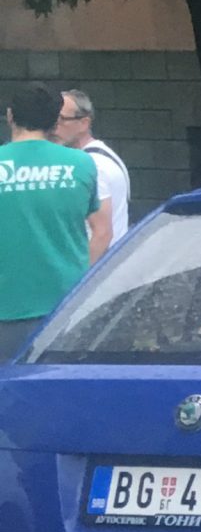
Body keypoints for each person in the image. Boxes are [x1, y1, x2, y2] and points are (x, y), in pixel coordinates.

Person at [0, 83, 107, 360]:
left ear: (10, 116)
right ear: (54, 120)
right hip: (65, 307)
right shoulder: (81, 165)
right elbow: (101, 229)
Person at [53, 88, 131, 243]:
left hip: (101, 262)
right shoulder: (104, 156)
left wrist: (89, 268)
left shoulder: (94, 165)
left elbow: (101, 234)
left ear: (84, 123)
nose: (54, 127)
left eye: (61, 119)